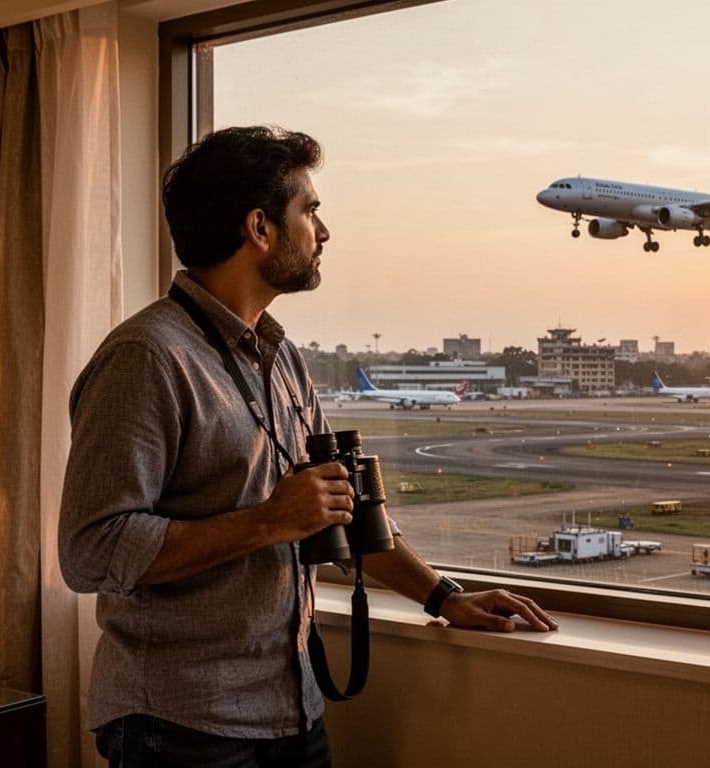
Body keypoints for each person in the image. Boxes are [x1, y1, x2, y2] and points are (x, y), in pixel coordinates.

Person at [58, 125, 558, 767]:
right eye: (310, 210)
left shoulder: (282, 356)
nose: (323, 232)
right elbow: (89, 551)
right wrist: (268, 521)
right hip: (182, 725)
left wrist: (442, 595)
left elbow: (337, 512)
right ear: (260, 228)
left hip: (291, 710)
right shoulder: (146, 359)